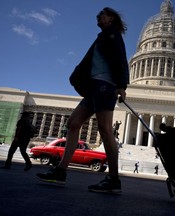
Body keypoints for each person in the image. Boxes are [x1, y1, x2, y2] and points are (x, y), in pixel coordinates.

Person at [36, 7, 129, 193]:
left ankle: (113, 179)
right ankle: (61, 171)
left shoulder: (113, 35)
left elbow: (121, 59)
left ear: (111, 18)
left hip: (105, 86)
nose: (99, 16)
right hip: (94, 88)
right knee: (73, 123)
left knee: (105, 129)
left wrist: (121, 85)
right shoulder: (101, 36)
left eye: (103, 14)